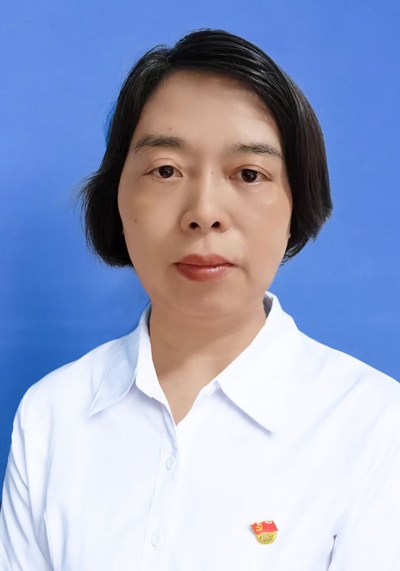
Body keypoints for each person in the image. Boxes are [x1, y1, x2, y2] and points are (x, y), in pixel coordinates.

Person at [0, 28, 399, 571]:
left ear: (296, 204)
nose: (204, 212)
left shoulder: (374, 423)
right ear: (117, 196)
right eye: (166, 170)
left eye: (249, 174)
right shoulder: (53, 414)